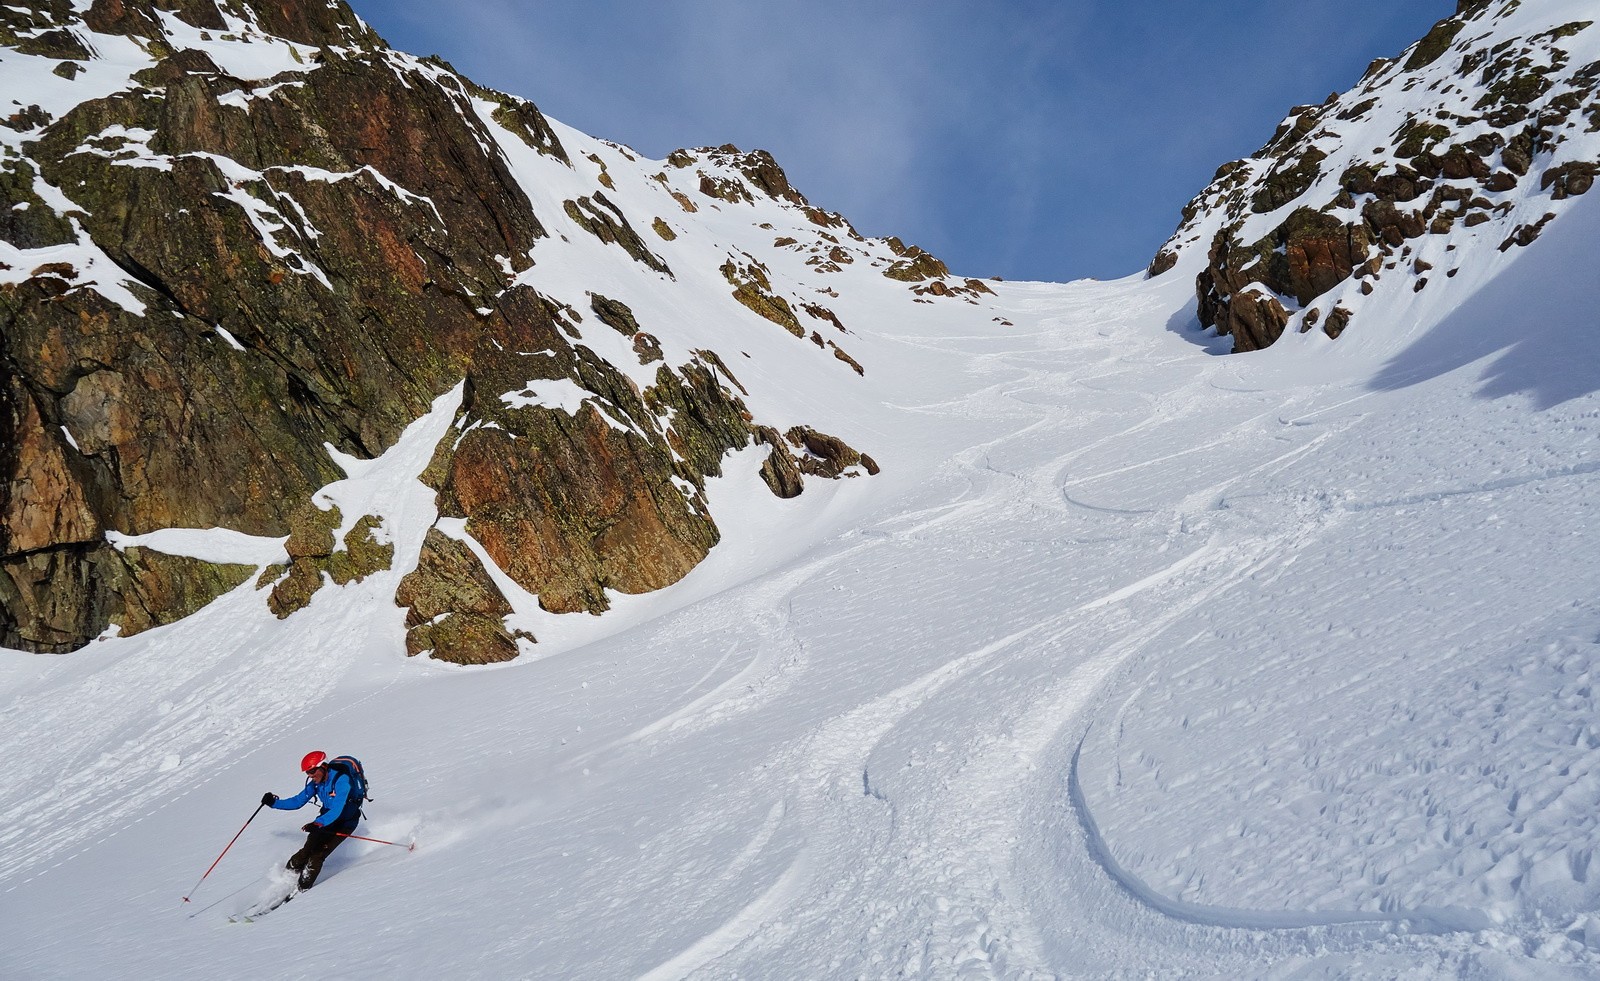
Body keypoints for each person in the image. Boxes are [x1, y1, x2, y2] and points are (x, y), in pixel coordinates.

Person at [261, 750, 361, 891]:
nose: (310, 775)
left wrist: (318, 823)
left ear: (323, 766)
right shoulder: (315, 783)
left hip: (345, 823)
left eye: (312, 771)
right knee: (306, 850)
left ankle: (303, 889)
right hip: (324, 820)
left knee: (317, 855)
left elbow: (337, 809)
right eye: (308, 772)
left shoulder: (342, 780)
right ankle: (284, 879)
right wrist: (273, 803)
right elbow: (297, 801)